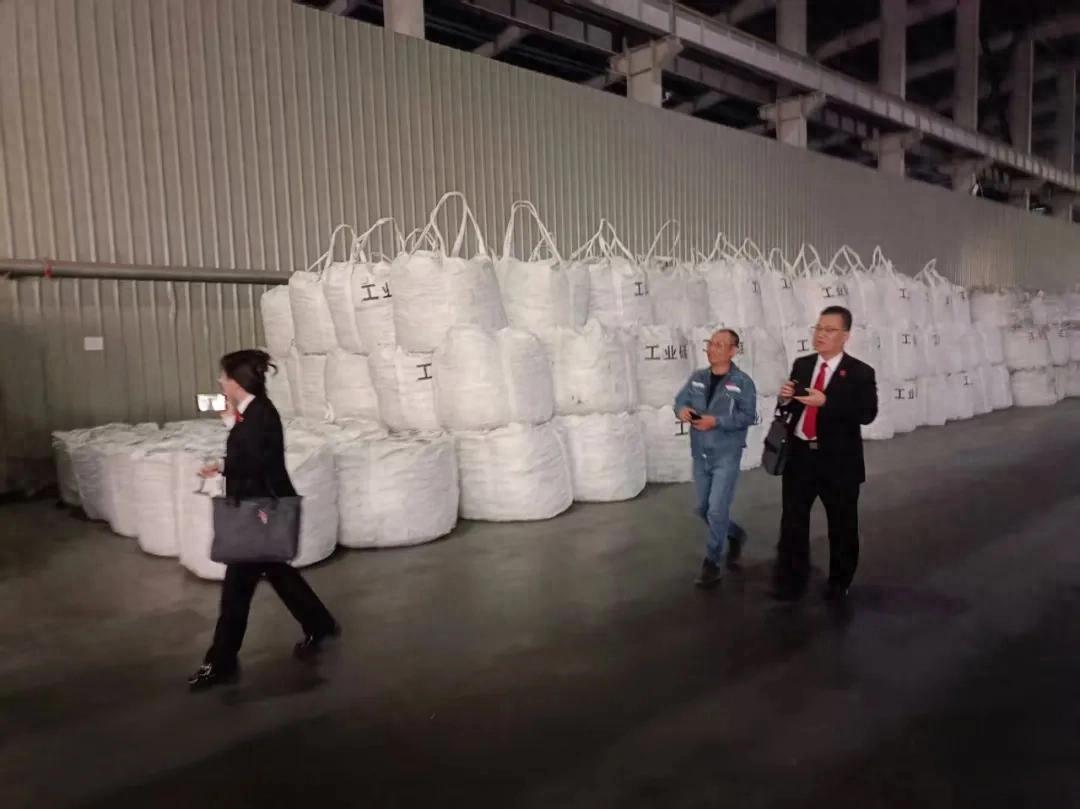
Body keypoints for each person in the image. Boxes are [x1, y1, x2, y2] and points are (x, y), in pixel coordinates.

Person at [188, 350, 340, 691]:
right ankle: (320, 624)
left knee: (236, 591)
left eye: (224, 376)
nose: (220, 382)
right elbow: (250, 457)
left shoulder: (259, 415)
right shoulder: (253, 412)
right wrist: (223, 464)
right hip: (258, 508)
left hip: (257, 512)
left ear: (237, 381)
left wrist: (229, 444)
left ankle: (221, 662)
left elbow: (255, 463)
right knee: (277, 571)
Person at [772, 306, 878, 603]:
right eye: (818, 328)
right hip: (800, 456)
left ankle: (839, 582)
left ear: (845, 336)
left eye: (829, 330)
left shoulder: (860, 372)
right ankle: (791, 580)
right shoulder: (802, 365)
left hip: (838, 462)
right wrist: (785, 400)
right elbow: (791, 408)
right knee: (793, 522)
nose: (820, 334)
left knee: (841, 525)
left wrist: (827, 402)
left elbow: (867, 413)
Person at [674, 329, 758, 589]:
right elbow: (680, 401)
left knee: (716, 509)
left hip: (726, 455)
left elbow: (748, 416)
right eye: (711, 343)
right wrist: (682, 410)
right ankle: (735, 534)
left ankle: (711, 562)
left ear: (733, 351)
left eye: (720, 345)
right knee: (703, 508)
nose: (712, 348)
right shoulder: (697, 378)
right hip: (700, 454)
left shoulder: (742, 382)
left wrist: (716, 421)